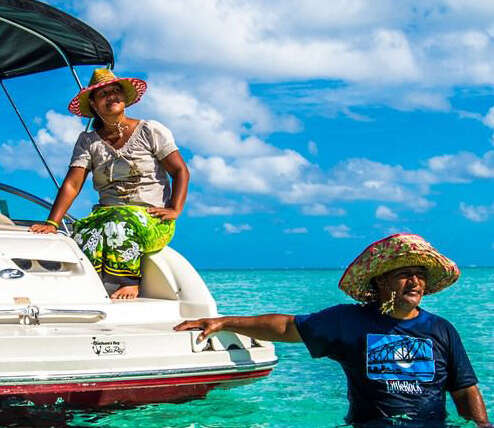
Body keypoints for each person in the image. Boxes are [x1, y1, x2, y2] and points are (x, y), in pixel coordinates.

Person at [175, 233, 491, 427]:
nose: (415, 282)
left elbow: (465, 390)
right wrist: (225, 321)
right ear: (381, 282)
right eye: (405, 274)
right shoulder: (349, 321)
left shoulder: (441, 330)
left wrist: (482, 425)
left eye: (419, 276)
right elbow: (287, 326)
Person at [30, 69, 189, 300]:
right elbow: (72, 184)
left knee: (118, 223)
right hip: (107, 216)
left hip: (150, 219)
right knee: (82, 232)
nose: (112, 96)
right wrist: (52, 223)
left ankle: (128, 282)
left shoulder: (150, 130)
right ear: (94, 104)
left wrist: (175, 208)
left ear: (124, 99)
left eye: (116, 91)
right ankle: (90, 290)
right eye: (103, 94)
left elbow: (180, 170)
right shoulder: (88, 141)